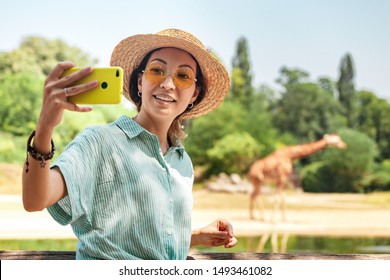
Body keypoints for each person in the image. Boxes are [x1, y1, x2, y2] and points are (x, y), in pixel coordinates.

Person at [22, 28, 237, 260]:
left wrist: (191, 235)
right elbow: (36, 199)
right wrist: (44, 129)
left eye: (183, 76)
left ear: (194, 94)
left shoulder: (182, 161)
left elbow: (139, 235)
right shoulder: (99, 141)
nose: (167, 83)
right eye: (157, 70)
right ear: (140, 81)